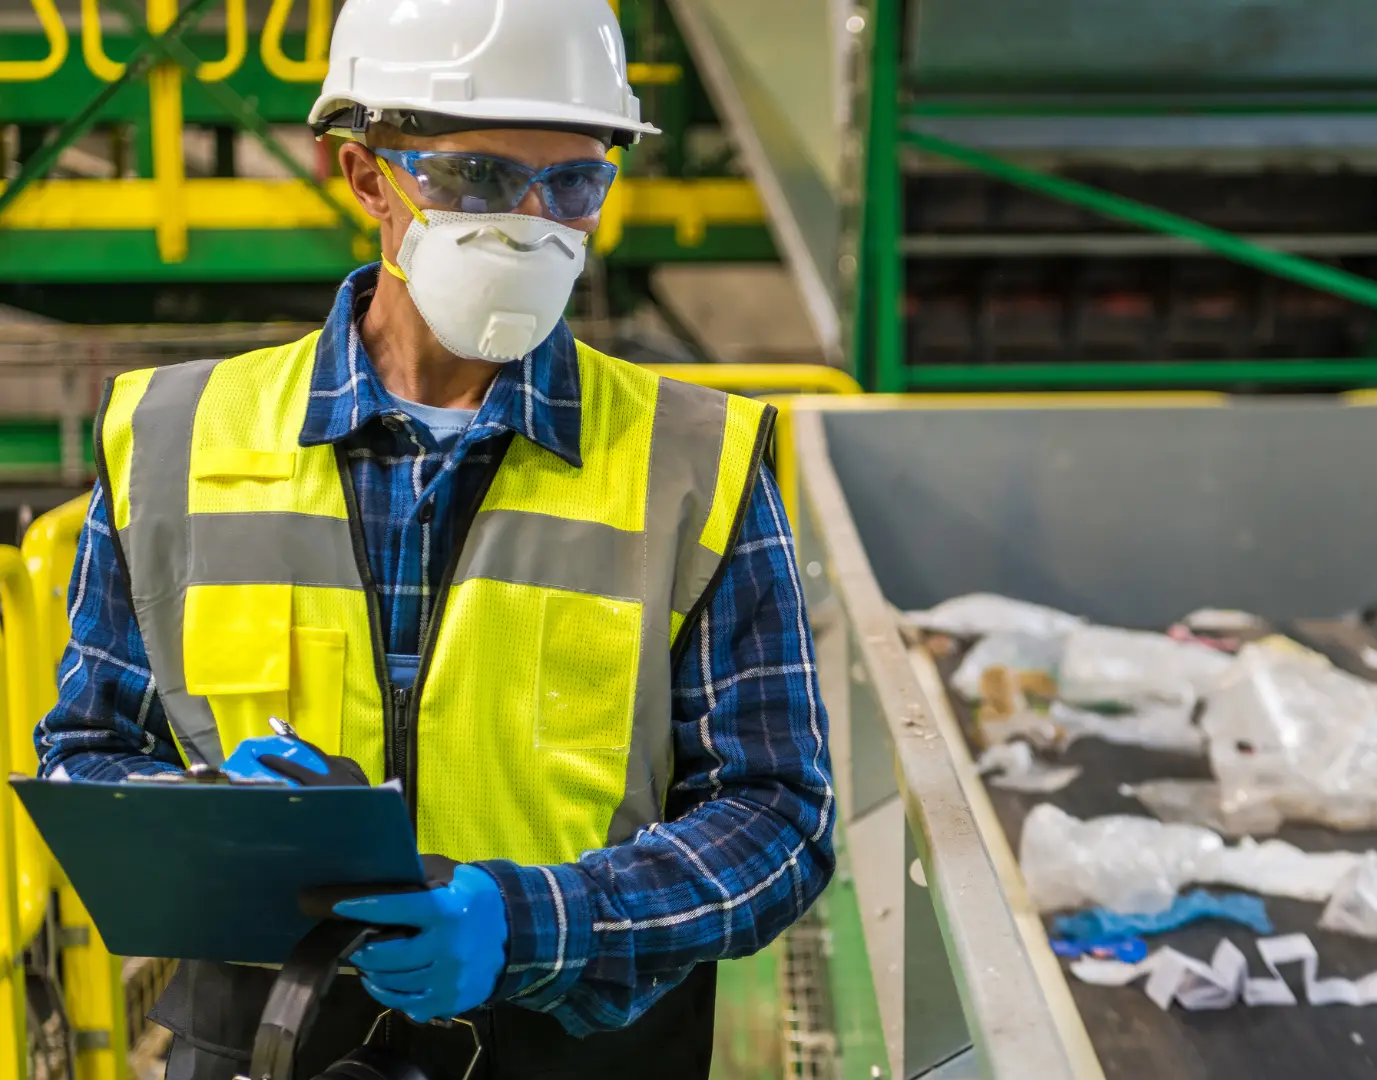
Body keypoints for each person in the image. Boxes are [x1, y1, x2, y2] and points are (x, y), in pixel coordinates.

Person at [34, 1, 834, 1076]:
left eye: (576, 182)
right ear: (367, 177)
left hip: (575, 1051)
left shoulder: (696, 462)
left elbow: (779, 817)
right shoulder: (173, 441)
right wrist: (209, 811)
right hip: (271, 1041)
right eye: (483, 177)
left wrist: (533, 922)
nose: (535, 220)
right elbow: (87, 756)